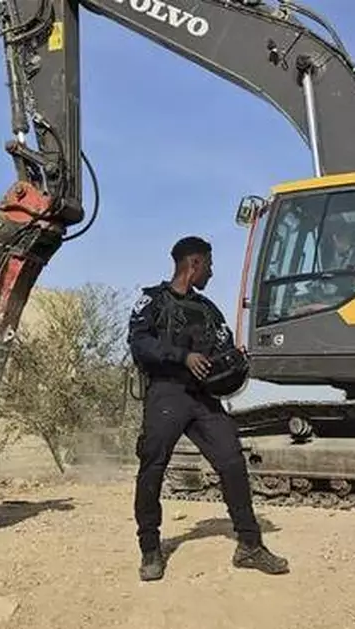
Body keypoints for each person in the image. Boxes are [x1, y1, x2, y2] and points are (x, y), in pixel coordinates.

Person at [127, 235, 289, 581]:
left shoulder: (208, 310)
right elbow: (140, 344)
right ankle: (150, 548)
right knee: (153, 465)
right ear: (194, 263)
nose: (212, 273)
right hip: (166, 394)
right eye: (210, 265)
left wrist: (234, 363)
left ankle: (249, 544)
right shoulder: (151, 301)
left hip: (203, 399)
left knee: (231, 460)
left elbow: (223, 349)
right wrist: (182, 356)